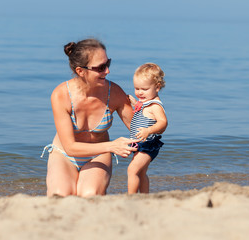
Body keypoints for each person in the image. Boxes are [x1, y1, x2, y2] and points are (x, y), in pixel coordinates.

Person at [41, 38, 138, 197]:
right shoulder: (61, 95)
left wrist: (145, 107)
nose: (107, 71)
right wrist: (112, 146)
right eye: (101, 67)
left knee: (89, 195)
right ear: (81, 71)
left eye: (108, 64)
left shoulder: (114, 93)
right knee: (60, 195)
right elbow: (70, 147)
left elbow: (140, 131)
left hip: (98, 156)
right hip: (64, 155)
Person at [127, 63, 168, 194]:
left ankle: (130, 196)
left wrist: (148, 130)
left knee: (132, 170)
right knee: (141, 172)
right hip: (142, 144)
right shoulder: (146, 103)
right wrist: (135, 104)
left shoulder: (155, 106)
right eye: (136, 88)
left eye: (144, 89)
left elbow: (163, 123)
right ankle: (145, 196)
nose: (140, 92)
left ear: (157, 87)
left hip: (148, 144)